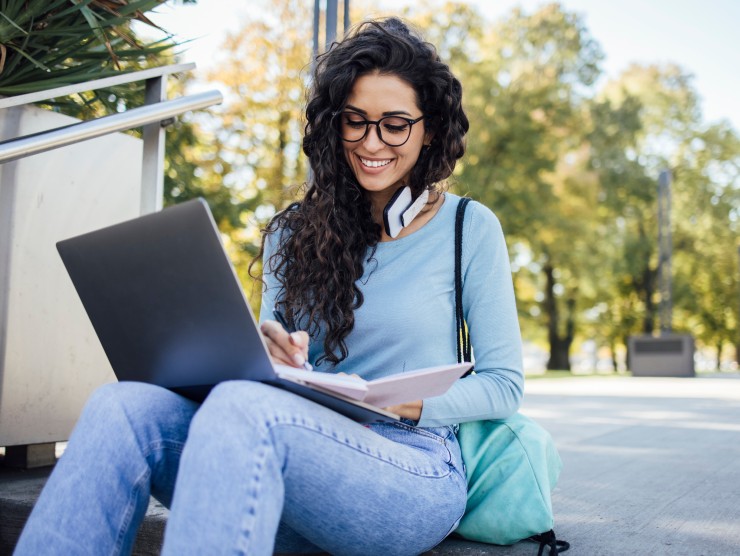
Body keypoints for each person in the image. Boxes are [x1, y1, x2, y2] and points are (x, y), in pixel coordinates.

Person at [14, 17, 523, 556]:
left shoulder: (469, 227)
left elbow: (504, 385)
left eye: (395, 124)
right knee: (121, 407)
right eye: (356, 121)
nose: (372, 142)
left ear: (430, 129)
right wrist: (268, 353)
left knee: (242, 408)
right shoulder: (292, 233)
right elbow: (270, 374)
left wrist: (402, 405)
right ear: (335, 125)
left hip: (410, 470)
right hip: (284, 452)